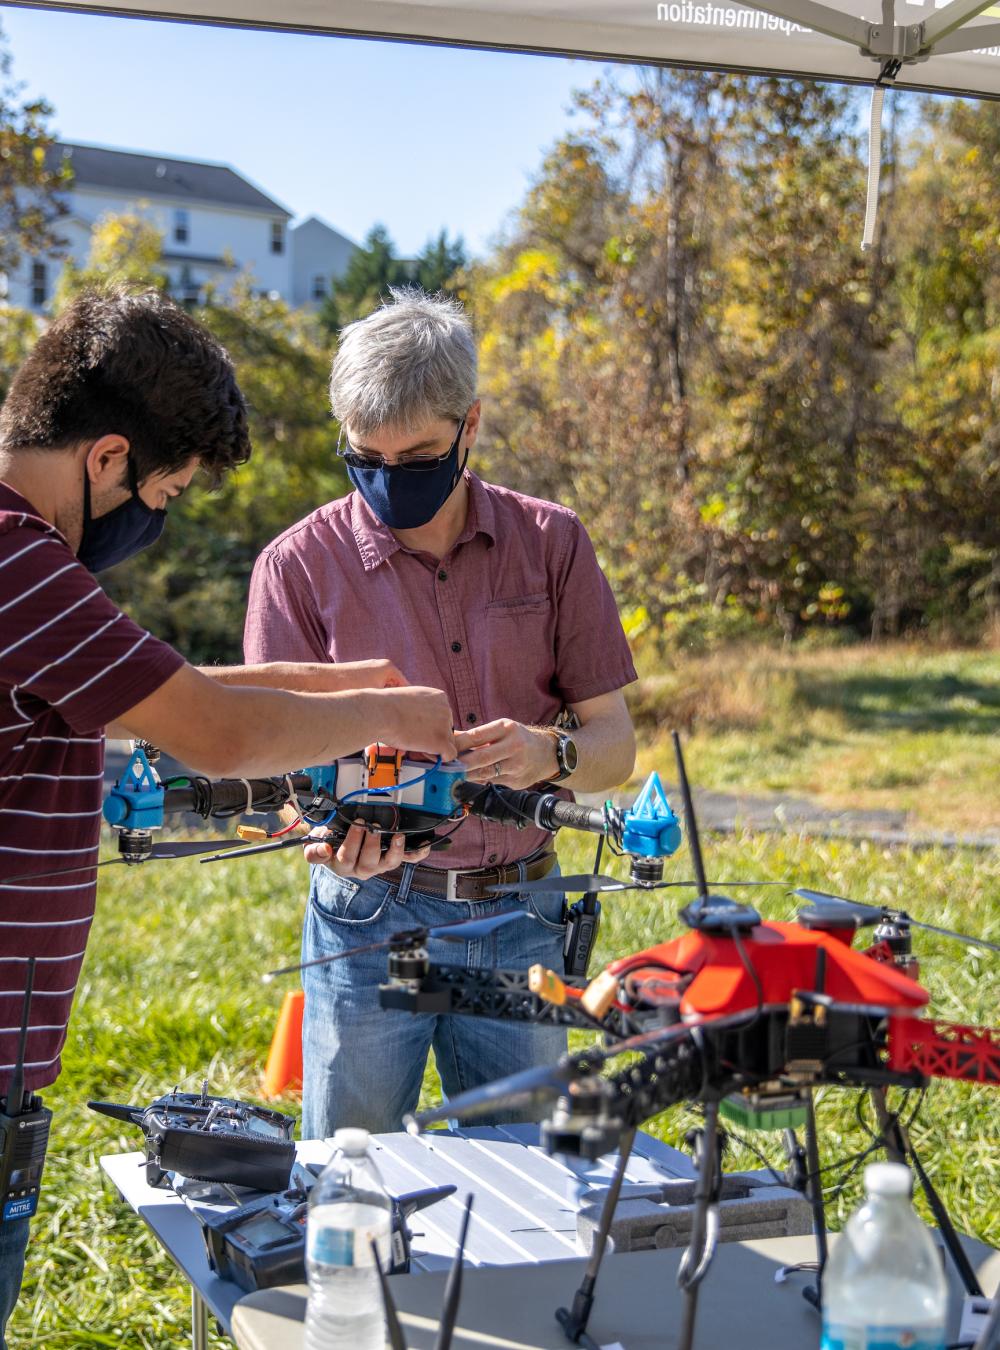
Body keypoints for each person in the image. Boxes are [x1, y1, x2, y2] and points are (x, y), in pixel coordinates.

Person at [0, 286, 456, 1345]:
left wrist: (341, 686)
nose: (155, 522)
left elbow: (158, 683)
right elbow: (212, 731)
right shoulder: (17, 560)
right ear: (106, 457)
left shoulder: (26, 571)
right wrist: (395, 710)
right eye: (166, 490)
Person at [244, 288, 638, 1138]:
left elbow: (615, 747)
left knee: (528, 1179)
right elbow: (271, 771)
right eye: (365, 456)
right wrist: (322, 832)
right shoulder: (297, 569)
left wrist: (549, 755)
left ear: (472, 425)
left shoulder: (552, 542)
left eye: (418, 455)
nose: (391, 479)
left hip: (522, 919)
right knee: (351, 1171)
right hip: (373, 916)